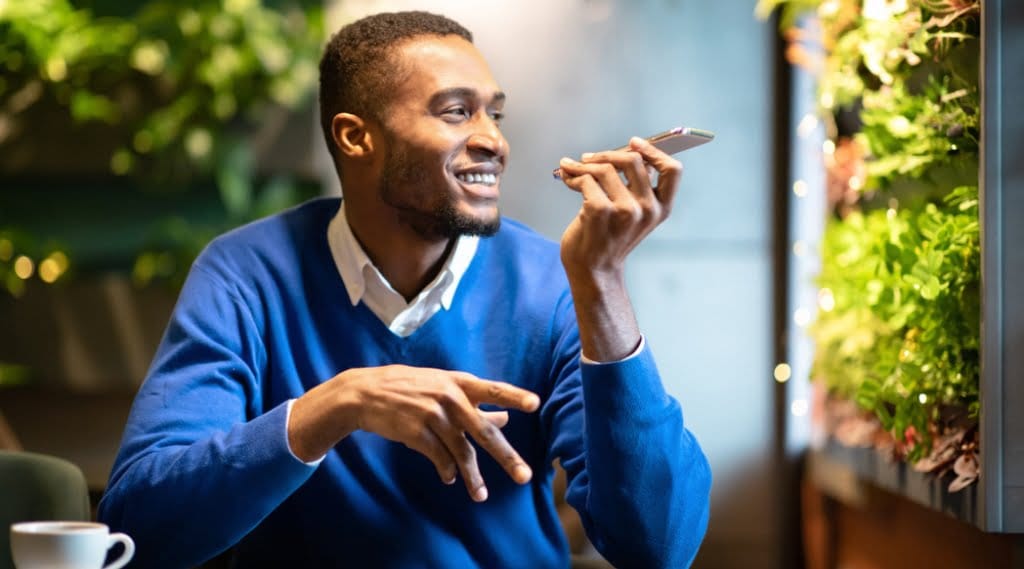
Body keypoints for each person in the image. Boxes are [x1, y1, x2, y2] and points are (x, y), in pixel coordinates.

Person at [98, 10, 711, 568]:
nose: (493, 139)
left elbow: (658, 546)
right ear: (355, 137)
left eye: (493, 113)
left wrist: (602, 285)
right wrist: (334, 407)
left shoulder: (552, 282)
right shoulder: (245, 275)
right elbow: (140, 526)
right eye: (455, 111)